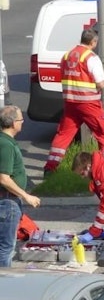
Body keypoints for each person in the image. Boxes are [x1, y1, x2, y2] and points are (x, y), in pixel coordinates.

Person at [43, 28, 104, 175]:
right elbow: (101, 83)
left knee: (63, 135)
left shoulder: (67, 55)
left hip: (70, 103)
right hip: (89, 104)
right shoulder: (91, 57)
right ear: (93, 42)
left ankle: (50, 168)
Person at [0, 106, 40, 267]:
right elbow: (4, 178)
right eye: (20, 119)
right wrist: (26, 196)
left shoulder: (5, 142)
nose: (22, 122)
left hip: (8, 201)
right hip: (8, 202)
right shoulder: (6, 145)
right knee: (6, 248)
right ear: (12, 123)